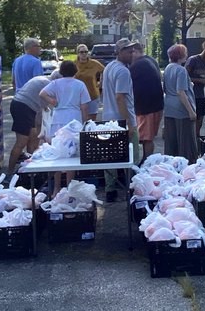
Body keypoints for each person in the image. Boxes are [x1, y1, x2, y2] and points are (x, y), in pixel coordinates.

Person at [39, 60, 91, 194]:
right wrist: (87, 122)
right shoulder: (80, 85)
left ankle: (56, 188)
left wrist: (52, 101)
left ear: (61, 71)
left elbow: (42, 93)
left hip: (58, 118)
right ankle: (69, 187)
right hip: (74, 119)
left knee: (58, 154)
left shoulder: (55, 83)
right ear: (75, 71)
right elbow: (85, 107)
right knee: (71, 155)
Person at [100, 38, 138, 201]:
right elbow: (120, 97)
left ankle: (110, 190)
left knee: (110, 156)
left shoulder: (109, 67)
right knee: (133, 157)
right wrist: (128, 123)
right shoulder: (123, 71)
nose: (132, 54)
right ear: (120, 52)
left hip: (108, 119)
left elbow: (102, 88)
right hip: (122, 120)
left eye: (133, 50)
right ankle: (134, 188)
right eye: (129, 51)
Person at [7, 73, 50, 175]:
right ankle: (9, 173)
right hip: (23, 107)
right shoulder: (49, 86)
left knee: (34, 137)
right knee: (22, 142)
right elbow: (41, 113)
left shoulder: (43, 79)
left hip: (22, 105)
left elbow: (40, 113)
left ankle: (31, 170)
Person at [129, 42, 165, 162]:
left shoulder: (138, 65)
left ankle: (146, 163)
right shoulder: (151, 60)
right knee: (148, 138)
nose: (129, 55)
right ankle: (147, 161)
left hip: (146, 107)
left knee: (146, 138)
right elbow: (160, 78)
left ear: (135, 52)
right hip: (156, 104)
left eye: (131, 52)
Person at [162, 44, 198, 161]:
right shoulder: (181, 70)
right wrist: (191, 111)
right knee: (186, 141)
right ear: (181, 56)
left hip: (169, 107)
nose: (187, 55)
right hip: (181, 109)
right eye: (185, 53)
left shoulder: (168, 68)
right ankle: (187, 164)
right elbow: (181, 92)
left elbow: (166, 88)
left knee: (171, 141)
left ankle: (172, 164)